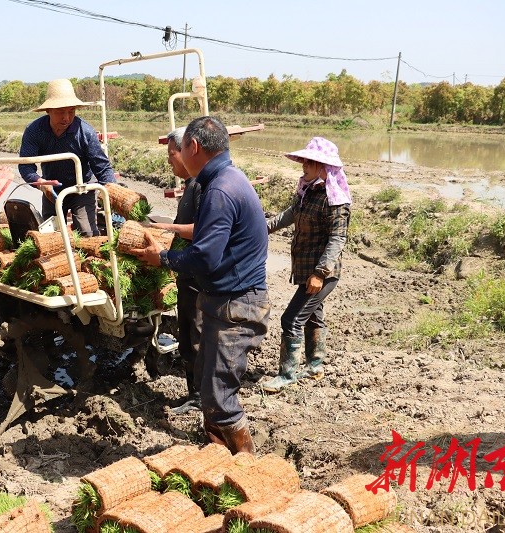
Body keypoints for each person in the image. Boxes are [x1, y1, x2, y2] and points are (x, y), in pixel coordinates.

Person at [129, 116, 270, 454]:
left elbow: (205, 257)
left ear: (193, 146)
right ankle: (217, 456)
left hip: (236, 305)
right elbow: (213, 233)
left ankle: (249, 469)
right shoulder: (227, 179)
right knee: (209, 389)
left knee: (220, 396)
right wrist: (174, 231)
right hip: (226, 300)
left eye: (177, 150)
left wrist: (161, 258)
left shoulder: (219, 188)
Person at [259, 137, 351, 392]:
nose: (305, 165)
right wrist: (261, 229)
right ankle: (315, 366)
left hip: (322, 273)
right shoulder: (307, 191)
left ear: (325, 167)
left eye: (311, 162)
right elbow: (289, 216)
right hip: (305, 268)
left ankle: (287, 375)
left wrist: (320, 273)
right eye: (304, 161)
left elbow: (337, 238)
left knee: (291, 319)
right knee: (313, 316)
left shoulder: (335, 200)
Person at [18, 78, 117, 237]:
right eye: (60, 112)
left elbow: (102, 167)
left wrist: (113, 191)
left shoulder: (85, 132)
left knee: (86, 232)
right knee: (52, 236)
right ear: (48, 111)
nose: (66, 117)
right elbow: (25, 165)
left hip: (82, 188)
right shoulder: (34, 131)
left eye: (71, 111)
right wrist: (41, 183)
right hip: (52, 190)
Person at [149, 127, 202, 415]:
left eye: (172, 154)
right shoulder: (192, 185)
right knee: (189, 333)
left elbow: (203, 232)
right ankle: (197, 392)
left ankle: (199, 397)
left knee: (195, 336)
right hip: (188, 273)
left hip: (197, 277)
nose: (170, 161)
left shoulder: (200, 187)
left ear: (187, 151)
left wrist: (165, 231)